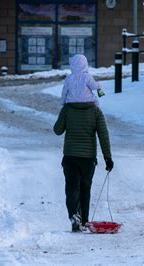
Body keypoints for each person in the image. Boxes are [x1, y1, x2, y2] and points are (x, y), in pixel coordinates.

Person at [54, 62, 113, 232]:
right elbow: (103, 135)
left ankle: (74, 215)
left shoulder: (67, 109)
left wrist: (65, 115)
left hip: (70, 156)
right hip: (88, 158)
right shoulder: (95, 111)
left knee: (72, 187)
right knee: (85, 188)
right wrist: (107, 157)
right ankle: (84, 220)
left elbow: (57, 131)